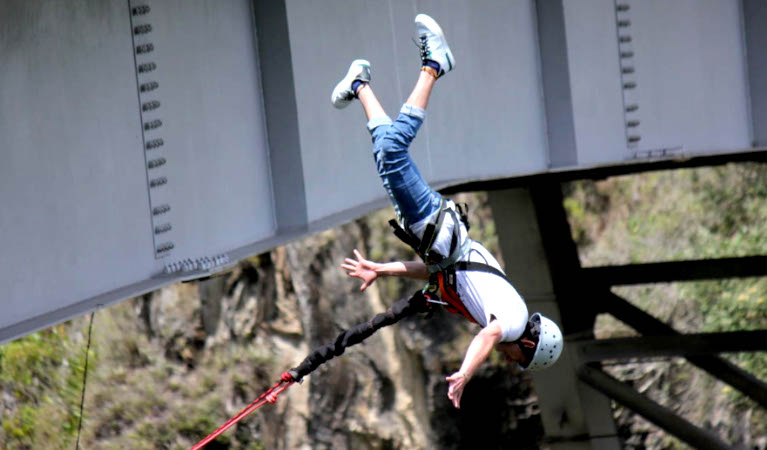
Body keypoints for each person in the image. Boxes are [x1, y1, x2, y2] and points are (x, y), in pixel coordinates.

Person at [331, 14, 563, 409]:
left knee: (386, 155)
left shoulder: (494, 307)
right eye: (521, 360)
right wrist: (465, 373)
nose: (512, 362)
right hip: (434, 231)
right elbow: (487, 340)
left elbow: (437, 272)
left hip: (433, 238)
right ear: (529, 344)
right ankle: (434, 64)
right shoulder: (512, 318)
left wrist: (381, 269)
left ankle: (359, 83)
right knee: (392, 154)